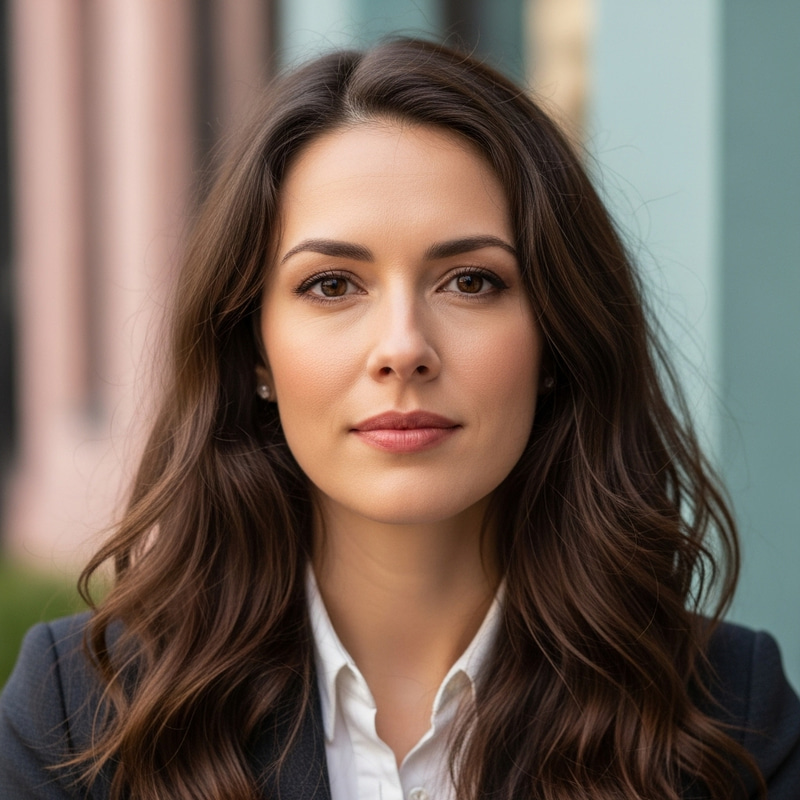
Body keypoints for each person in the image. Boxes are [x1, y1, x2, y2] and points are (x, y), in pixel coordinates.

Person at [1, 37, 798, 800]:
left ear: (557, 336)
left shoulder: (732, 712)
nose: (403, 349)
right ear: (253, 351)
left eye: (470, 282)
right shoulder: (80, 712)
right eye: (332, 285)